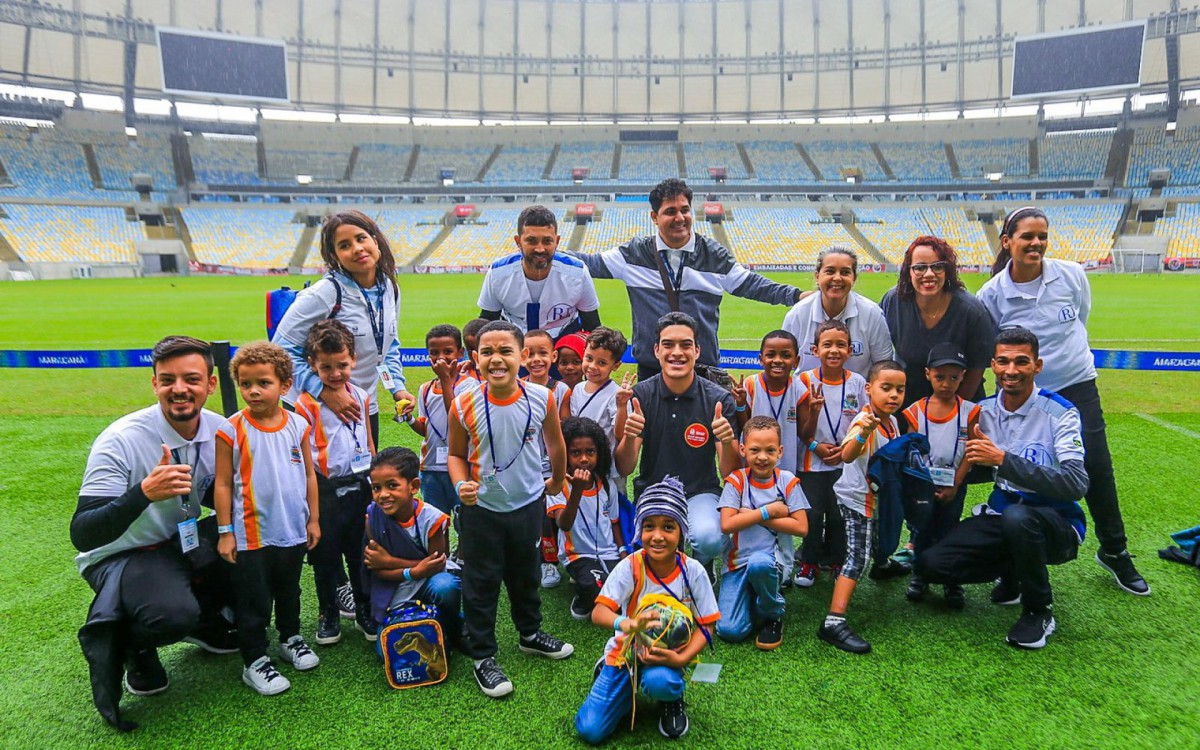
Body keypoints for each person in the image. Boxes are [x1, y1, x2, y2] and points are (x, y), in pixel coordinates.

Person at [978, 207, 1149, 596]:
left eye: (1042, 236)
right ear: (1008, 242)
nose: (1036, 243)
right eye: (1027, 237)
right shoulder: (991, 294)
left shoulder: (1071, 274)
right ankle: (1013, 562)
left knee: (1096, 469)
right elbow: (995, 348)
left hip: (1075, 386)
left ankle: (1115, 551)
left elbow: (1080, 321)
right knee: (1016, 470)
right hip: (1022, 396)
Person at [71, 335, 237, 732]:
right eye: (168, 380)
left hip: (178, 542)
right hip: (124, 554)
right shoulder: (122, 439)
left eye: (191, 379)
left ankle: (206, 621)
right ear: (154, 384)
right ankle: (137, 647)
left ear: (210, 385)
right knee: (170, 614)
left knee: (253, 541)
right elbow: (84, 533)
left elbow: (227, 497)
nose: (179, 389)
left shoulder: (220, 430)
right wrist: (143, 493)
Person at [915, 328, 1089, 649]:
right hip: (1003, 514)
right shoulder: (983, 412)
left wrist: (1003, 459)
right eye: (1003, 362)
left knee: (1019, 518)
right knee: (931, 564)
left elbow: (1075, 484)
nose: (1011, 371)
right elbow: (967, 464)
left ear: (1037, 366)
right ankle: (1013, 574)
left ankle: (1039, 610)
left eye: (1021, 362)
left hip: (1056, 522)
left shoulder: (1060, 413)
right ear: (993, 365)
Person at [447, 320, 574, 698]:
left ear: (523, 356)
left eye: (505, 351)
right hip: (482, 509)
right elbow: (455, 454)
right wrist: (460, 486)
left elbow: (555, 444)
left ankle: (530, 633)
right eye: (487, 352)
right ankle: (483, 655)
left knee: (526, 574)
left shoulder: (541, 398)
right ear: (475, 358)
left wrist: (556, 481)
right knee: (481, 582)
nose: (496, 359)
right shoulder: (463, 402)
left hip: (528, 504)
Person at [578, 178, 801, 381]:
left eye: (685, 210)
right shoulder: (634, 254)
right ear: (654, 217)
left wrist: (797, 295)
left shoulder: (714, 256)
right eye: (670, 211)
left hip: (702, 368)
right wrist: (546, 252)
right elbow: (589, 263)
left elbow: (754, 285)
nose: (680, 218)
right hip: (652, 369)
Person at [574, 476, 720, 743]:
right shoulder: (631, 565)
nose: (657, 536)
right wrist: (627, 624)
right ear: (639, 530)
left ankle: (671, 699)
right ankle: (621, 689)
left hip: (667, 657)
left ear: (681, 533)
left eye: (668, 527)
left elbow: (707, 625)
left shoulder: (694, 571)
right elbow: (598, 613)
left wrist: (681, 658)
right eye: (649, 526)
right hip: (627, 652)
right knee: (590, 730)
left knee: (662, 683)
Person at [214, 342, 321, 696]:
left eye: (263, 383)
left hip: (291, 528)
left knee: (289, 590)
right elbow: (224, 483)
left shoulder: (299, 424)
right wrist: (225, 531)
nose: (254, 391)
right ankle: (255, 660)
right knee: (254, 599)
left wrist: (313, 520)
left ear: (285, 384)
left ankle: (291, 639)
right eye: (246, 384)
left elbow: (309, 474)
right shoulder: (230, 429)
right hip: (249, 534)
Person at [271, 210, 416, 447]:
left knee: (363, 477)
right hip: (316, 407)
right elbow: (279, 351)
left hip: (363, 404)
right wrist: (325, 391)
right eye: (345, 245)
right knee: (318, 482)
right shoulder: (325, 293)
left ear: (375, 241)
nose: (357, 248)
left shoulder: (389, 288)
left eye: (361, 238)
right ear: (335, 256)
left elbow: (388, 348)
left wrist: (396, 388)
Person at [615, 312, 741, 572]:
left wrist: (728, 441)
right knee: (654, 559)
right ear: (657, 350)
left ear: (697, 350)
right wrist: (629, 435)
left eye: (685, 345)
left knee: (708, 540)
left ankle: (703, 564)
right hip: (655, 490)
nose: (677, 352)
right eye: (668, 345)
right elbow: (626, 467)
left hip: (700, 491)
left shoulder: (719, 399)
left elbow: (730, 472)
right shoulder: (641, 395)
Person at [293, 321, 376, 646]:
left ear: (353, 359)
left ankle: (364, 609)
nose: (336, 373)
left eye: (342, 365)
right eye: (326, 367)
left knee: (360, 553)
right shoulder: (306, 403)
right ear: (312, 365)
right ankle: (328, 613)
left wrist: (372, 476)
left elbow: (368, 441)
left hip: (359, 484)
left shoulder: (361, 395)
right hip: (324, 489)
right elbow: (303, 454)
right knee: (325, 557)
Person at [817, 360, 906, 655]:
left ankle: (882, 566)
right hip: (858, 499)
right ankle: (833, 621)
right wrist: (863, 432)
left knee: (880, 538)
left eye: (900, 389)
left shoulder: (890, 419)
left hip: (874, 496)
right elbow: (847, 453)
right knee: (857, 557)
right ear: (869, 390)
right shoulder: (865, 419)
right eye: (886, 388)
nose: (893, 395)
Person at [715, 416, 809, 650]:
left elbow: (801, 527)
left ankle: (773, 613)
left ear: (780, 451)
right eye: (755, 450)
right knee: (729, 630)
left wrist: (748, 515)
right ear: (743, 449)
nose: (763, 457)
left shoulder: (787, 481)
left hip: (772, 562)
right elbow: (727, 524)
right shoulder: (736, 480)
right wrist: (770, 511)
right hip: (737, 564)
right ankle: (759, 601)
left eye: (770, 450)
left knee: (759, 564)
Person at [900, 342, 980, 608]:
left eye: (954, 378)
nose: (946, 384)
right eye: (940, 377)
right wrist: (922, 484)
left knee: (949, 529)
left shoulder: (970, 411)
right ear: (927, 374)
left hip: (954, 485)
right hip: (923, 486)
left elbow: (971, 451)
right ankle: (920, 575)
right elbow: (912, 450)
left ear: (963, 377)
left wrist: (955, 483)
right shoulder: (915, 410)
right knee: (921, 530)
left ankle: (950, 579)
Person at [362, 447, 462, 648]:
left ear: (414, 486)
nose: (383, 495)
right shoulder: (372, 518)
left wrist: (391, 562)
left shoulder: (433, 520)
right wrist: (413, 571)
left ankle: (453, 625)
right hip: (394, 591)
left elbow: (437, 565)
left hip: (429, 583)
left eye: (392, 486)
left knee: (445, 586)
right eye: (376, 488)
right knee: (389, 650)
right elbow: (378, 570)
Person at [880, 236, 996, 408]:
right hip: (907, 406)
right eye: (919, 267)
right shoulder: (893, 302)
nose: (929, 274)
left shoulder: (971, 311)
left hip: (960, 404)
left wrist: (952, 412)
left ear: (947, 270)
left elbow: (976, 369)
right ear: (908, 271)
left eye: (937, 266)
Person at [794, 320, 868, 588]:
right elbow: (799, 427)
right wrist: (815, 446)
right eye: (827, 344)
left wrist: (845, 450)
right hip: (811, 462)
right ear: (815, 349)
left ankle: (838, 561)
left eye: (840, 345)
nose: (834, 350)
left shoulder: (858, 383)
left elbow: (864, 420)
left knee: (839, 515)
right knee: (812, 514)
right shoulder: (803, 380)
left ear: (850, 350)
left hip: (845, 463)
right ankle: (809, 561)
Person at [733, 329, 807, 579]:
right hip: (754, 467)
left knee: (784, 520)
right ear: (760, 358)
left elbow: (805, 430)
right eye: (771, 354)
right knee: (750, 514)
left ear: (796, 361)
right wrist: (742, 403)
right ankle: (746, 562)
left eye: (786, 355)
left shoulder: (799, 386)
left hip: (785, 468)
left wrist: (815, 411)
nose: (778, 360)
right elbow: (744, 425)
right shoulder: (751, 384)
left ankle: (784, 569)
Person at [546, 416, 628, 620]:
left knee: (627, 585)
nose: (583, 459)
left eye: (590, 452)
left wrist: (622, 551)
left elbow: (615, 522)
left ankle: (598, 582)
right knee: (596, 589)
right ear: (564, 454)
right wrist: (577, 492)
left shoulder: (606, 484)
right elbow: (563, 523)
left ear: (599, 453)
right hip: (578, 554)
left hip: (609, 553)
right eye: (575, 453)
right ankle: (583, 598)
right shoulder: (559, 485)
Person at [478, 204, 602, 337]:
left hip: (563, 344)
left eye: (547, 241)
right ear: (518, 241)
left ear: (557, 241)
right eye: (531, 241)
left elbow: (592, 325)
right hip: (516, 342)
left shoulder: (577, 273)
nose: (540, 249)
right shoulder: (498, 272)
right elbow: (487, 323)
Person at [782, 246, 894, 376]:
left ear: (854, 278)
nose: (837, 278)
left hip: (857, 395)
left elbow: (883, 366)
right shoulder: (797, 314)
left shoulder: (872, 314)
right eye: (830, 271)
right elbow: (784, 363)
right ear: (817, 276)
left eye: (845, 272)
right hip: (807, 395)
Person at [522, 328, 572, 588]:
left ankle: (555, 560)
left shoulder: (561, 389)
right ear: (521, 357)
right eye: (529, 354)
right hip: (526, 466)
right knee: (531, 514)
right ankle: (540, 560)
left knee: (553, 514)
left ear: (553, 356)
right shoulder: (517, 388)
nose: (536, 359)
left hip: (553, 466)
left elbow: (565, 426)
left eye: (543, 353)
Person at [405, 324, 468, 515]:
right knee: (435, 520)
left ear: (460, 353)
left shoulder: (469, 386)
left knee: (463, 520)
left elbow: (456, 417)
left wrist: (446, 381)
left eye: (448, 351)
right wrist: (409, 418)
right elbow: (426, 427)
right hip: (430, 466)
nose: (441, 357)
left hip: (460, 466)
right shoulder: (425, 389)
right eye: (434, 352)